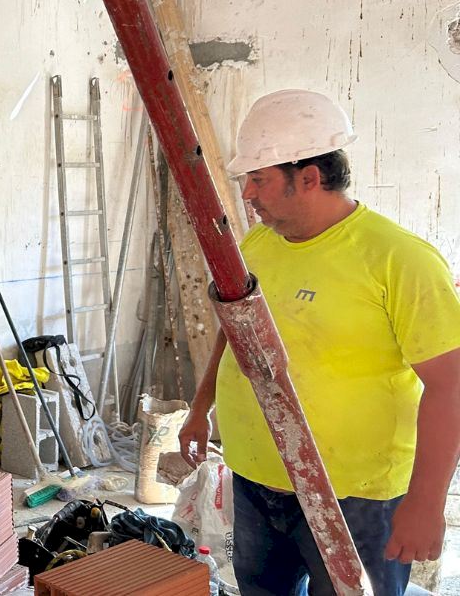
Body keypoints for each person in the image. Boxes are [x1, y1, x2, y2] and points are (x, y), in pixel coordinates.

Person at [177, 90, 460, 596]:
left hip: (356, 497)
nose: (248, 194)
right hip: (257, 478)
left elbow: (450, 385)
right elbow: (234, 330)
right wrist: (201, 408)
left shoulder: (399, 260)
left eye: (259, 180)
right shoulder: (257, 245)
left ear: (308, 177)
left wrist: (426, 502)